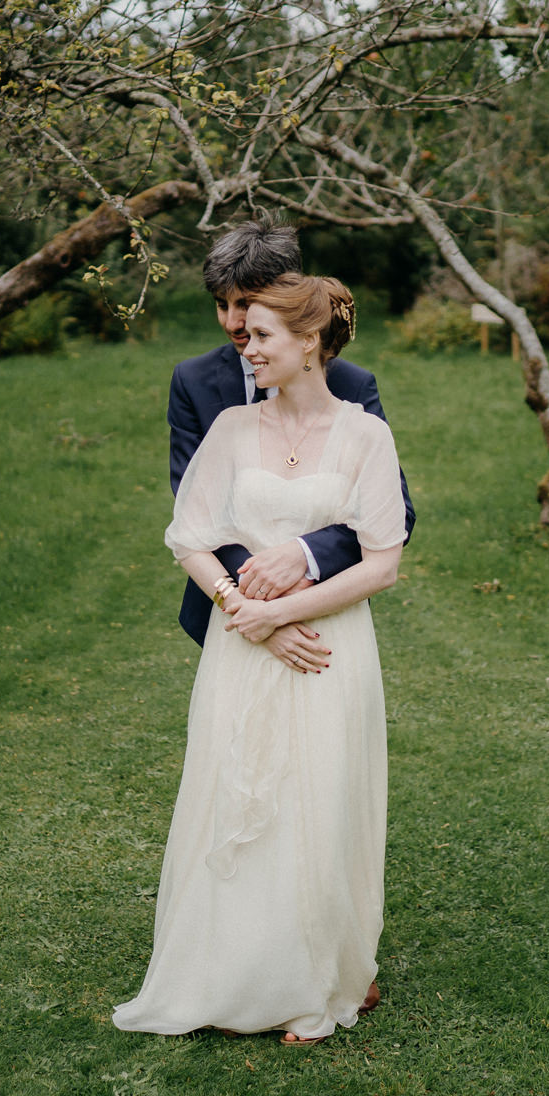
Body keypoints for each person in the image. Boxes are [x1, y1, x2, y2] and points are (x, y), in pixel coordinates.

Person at [113, 274, 405, 1043]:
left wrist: (281, 611)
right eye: (242, 332)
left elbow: (381, 563)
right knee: (236, 797)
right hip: (241, 650)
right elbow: (189, 535)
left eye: (263, 334)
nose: (245, 343)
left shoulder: (365, 433)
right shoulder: (234, 428)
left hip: (329, 648)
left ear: (310, 342)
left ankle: (318, 981)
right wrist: (244, 612)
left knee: (320, 801)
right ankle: (221, 972)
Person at [166, 221, 415, 674]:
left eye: (246, 304)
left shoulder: (351, 386)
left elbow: (395, 513)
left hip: (320, 614)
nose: (233, 323)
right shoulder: (193, 382)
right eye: (222, 304)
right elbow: (192, 508)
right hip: (230, 612)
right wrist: (254, 607)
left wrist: (303, 558)